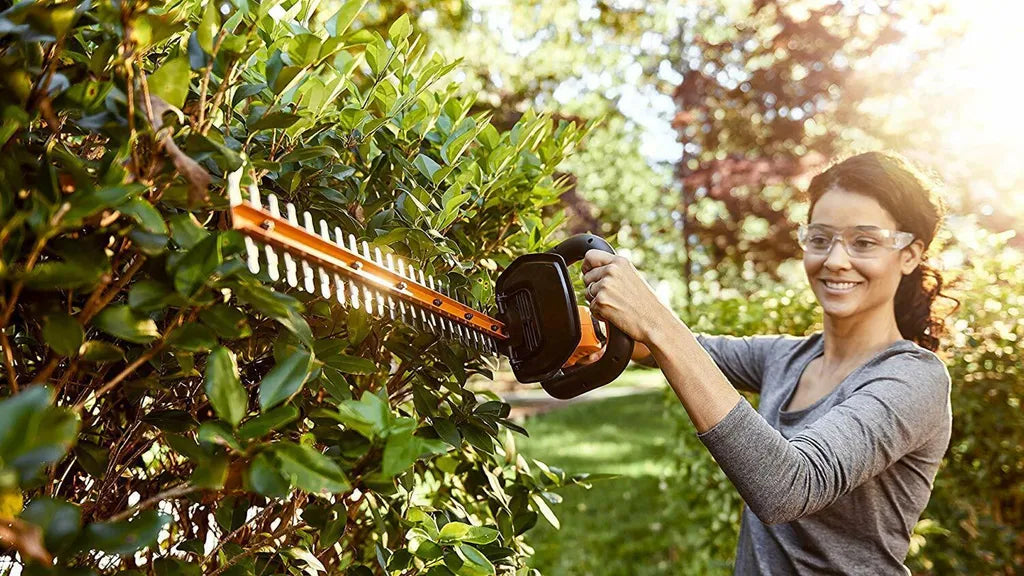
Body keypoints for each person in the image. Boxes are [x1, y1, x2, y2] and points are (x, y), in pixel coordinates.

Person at [579, 151, 955, 575]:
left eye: (864, 242)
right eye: (820, 238)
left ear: (910, 254)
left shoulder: (913, 378)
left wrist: (657, 320)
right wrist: (580, 325)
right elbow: (672, 348)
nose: (834, 259)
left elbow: (788, 487)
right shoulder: (786, 357)